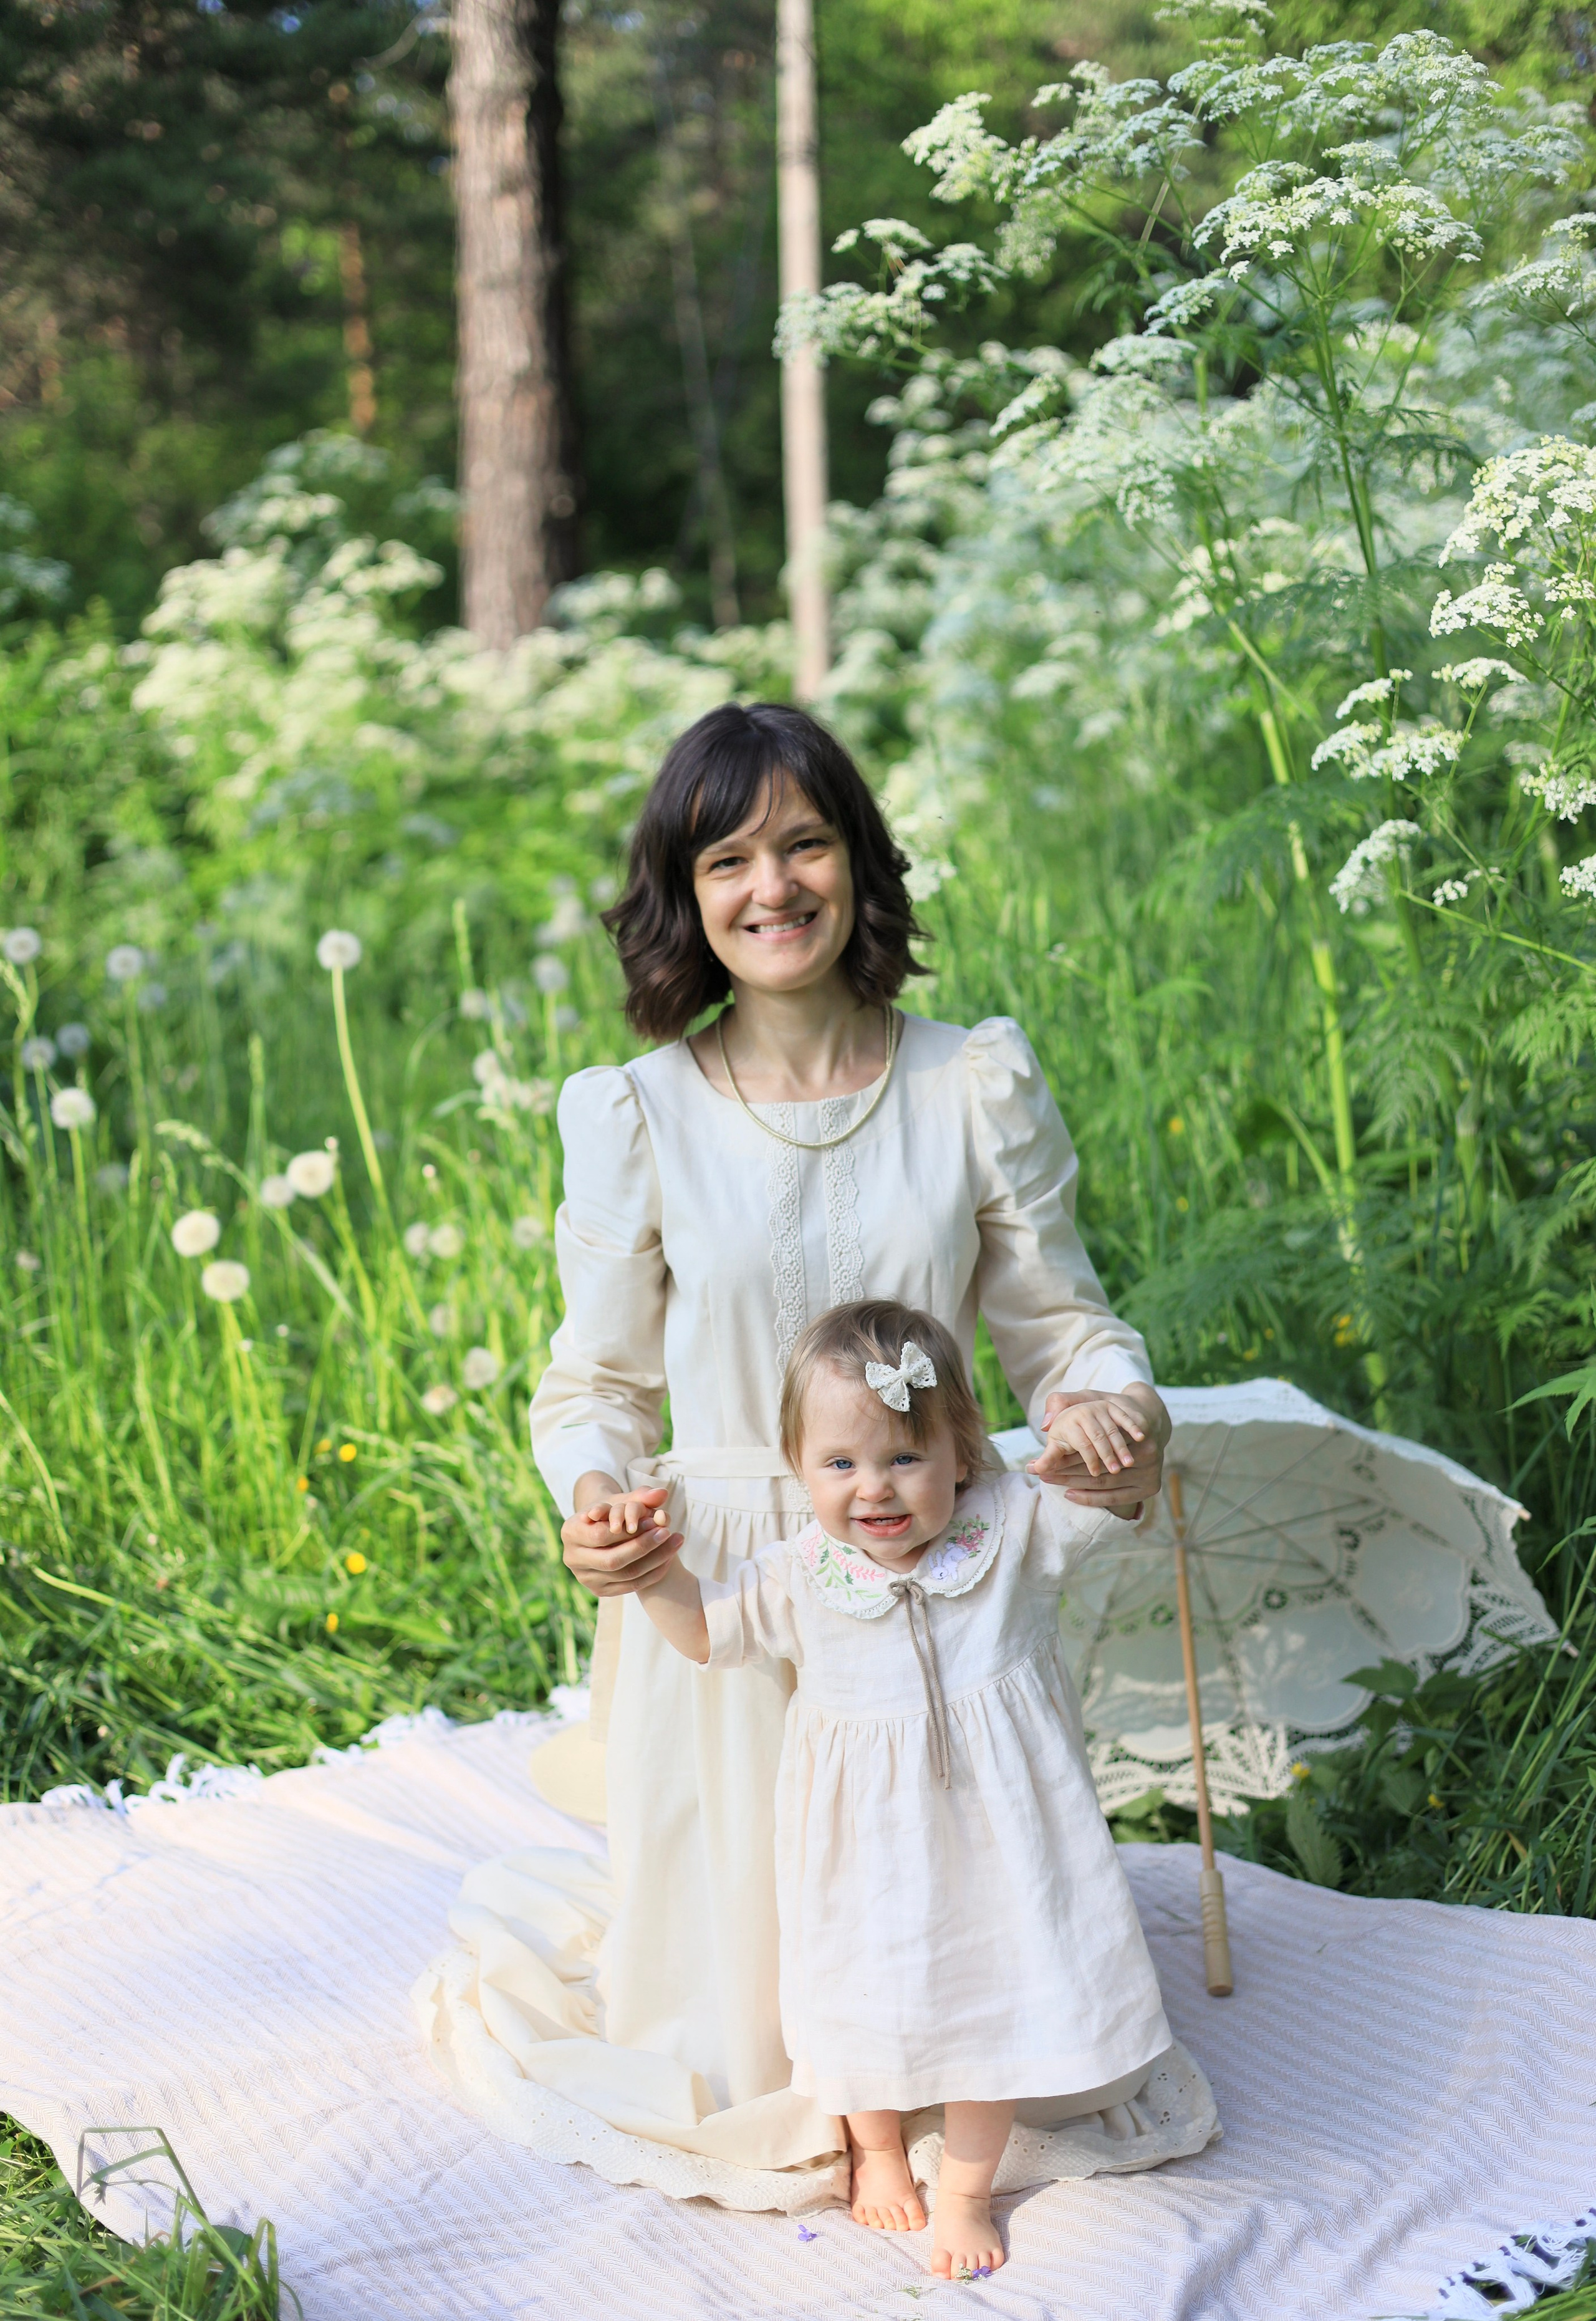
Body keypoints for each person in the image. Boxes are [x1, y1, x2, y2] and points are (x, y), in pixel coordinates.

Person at [419, 700, 1171, 2204]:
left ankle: (944, 2106)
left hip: (927, 1577)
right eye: (728, 860)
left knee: (957, 1950)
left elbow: (1060, 1326)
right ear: (683, 897)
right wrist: (591, 1498)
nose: (772, 887)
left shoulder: (969, 1081)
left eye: (805, 843)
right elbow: (594, 1380)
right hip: (727, 1579)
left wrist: (1108, 1405)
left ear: (859, 862)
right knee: (738, 2047)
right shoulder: (634, 1114)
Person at [635, 1298, 1173, 2280]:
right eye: (840, 1464)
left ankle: (967, 2190)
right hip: (863, 1845)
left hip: (1003, 1840)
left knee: (997, 1994)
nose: (873, 1489)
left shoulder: (1010, 1526)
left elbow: (1109, 1502)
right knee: (860, 1988)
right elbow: (710, 1632)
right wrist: (649, 1576)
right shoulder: (802, 1570)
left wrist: (1098, 1430)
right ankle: (875, 2146)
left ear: (963, 1452)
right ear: (800, 1468)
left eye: (903, 1458)